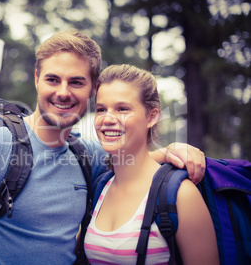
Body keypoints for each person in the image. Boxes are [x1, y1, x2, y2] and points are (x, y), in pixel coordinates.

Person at [0, 30, 206, 264]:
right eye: (53, 79)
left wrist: (173, 151)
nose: (63, 92)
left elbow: (134, 163)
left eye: (77, 82)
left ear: (93, 89)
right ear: (37, 78)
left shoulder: (87, 155)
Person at [84, 64, 218, 264]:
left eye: (122, 109)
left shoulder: (182, 195)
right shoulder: (100, 187)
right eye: (101, 109)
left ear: (152, 116)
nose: (108, 119)